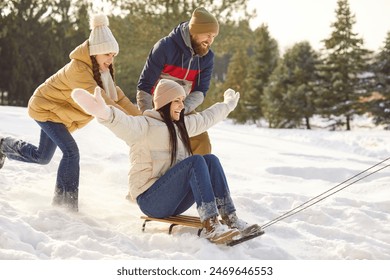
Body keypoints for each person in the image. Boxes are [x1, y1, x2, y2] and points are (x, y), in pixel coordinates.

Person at [71, 79, 263, 244]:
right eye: (177, 101)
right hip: (150, 199)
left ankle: (230, 218)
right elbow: (124, 124)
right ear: (164, 103)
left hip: (172, 199)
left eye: (182, 101)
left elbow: (206, 118)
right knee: (195, 161)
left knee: (210, 160)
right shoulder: (144, 126)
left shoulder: (180, 126)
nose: (182, 105)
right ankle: (211, 225)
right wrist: (105, 113)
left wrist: (227, 105)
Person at [0, 14, 141, 212]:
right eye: (107, 54)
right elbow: (103, 99)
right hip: (45, 108)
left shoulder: (101, 72)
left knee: (42, 157)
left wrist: (142, 119)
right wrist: (128, 120)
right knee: (71, 152)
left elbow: (118, 98)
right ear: (96, 52)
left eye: (113, 55)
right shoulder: (78, 70)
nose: (111, 59)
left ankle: (3, 146)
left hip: (58, 113)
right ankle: (64, 204)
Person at [136, 7, 219, 156]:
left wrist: (181, 111)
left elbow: (200, 91)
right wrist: (148, 117)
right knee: (160, 143)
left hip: (183, 106)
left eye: (213, 36)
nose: (210, 40)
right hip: (158, 106)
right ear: (194, 31)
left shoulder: (207, 58)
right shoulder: (165, 47)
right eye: (207, 35)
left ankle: (198, 176)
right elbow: (145, 86)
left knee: (201, 140)